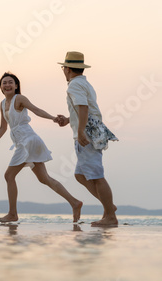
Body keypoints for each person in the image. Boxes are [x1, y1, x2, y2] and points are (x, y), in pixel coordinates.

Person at [0, 72, 83, 223]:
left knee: (9, 176)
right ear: (1, 87)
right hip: (24, 142)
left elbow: (36, 110)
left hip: (28, 141)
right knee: (45, 179)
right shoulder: (2, 104)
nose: (7, 85)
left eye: (11, 82)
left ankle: (12, 214)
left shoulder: (20, 99)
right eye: (4, 83)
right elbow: (3, 127)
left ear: (16, 86)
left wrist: (53, 118)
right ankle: (74, 202)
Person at [56, 51, 118, 226]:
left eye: (63, 68)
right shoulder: (84, 83)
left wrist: (81, 131)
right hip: (92, 130)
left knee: (97, 176)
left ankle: (110, 215)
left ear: (67, 69)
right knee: (80, 175)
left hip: (87, 134)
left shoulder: (74, 86)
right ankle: (109, 207)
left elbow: (83, 107)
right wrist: (69, 120)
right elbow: (85, 109)